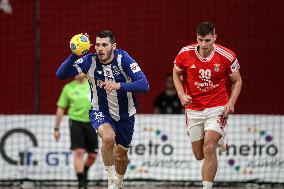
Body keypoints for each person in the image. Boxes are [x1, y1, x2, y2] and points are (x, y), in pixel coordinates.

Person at [56, 30, 149, 189]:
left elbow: (144, 85)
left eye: (104, 45)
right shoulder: (89, 61)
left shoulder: (123, 58)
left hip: (126, 115)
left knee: (121, 156)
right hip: (100, 111)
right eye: (97, 44)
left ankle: (119, 182)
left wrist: (118, 86)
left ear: (113, 46)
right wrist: (74, 54)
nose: (100, 48)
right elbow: (60, 74)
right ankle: (111, 182)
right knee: (108, 138)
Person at [172, 21, 242, 189]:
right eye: (200, 40)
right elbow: (176, 73)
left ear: (215, 38)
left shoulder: (227, 56)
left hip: (217, 106)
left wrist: (231, 102)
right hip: (194, 108)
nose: (203, 44)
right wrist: (181, 94)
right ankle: (220, 139)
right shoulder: (185, 54)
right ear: (196, 38)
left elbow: (237, 80)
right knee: (199, 154)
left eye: (208, 41)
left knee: (209, 147)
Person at [54, 73, 99, 189]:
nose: (75, 73)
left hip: (92, 123)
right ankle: (81, 183)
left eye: (78, 70)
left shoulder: (92, 84)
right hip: (76, 122)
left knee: (93, 155)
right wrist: (56, 128)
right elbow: (61, 108)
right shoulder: (68, 88)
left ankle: (84, 172)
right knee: (79, 152)